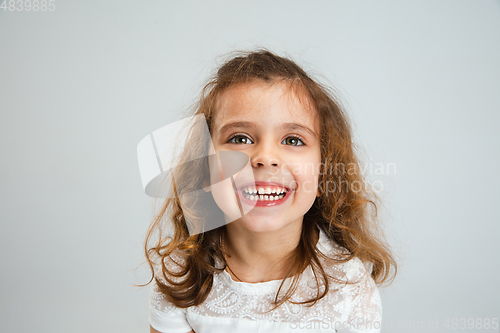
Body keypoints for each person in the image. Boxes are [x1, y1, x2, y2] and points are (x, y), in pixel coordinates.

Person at [142, 49, 397, 333]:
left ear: (325, 174)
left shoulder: (349, 289)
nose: (265, 156)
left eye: (292, 140)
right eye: (240, 138)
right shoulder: (182, 272)